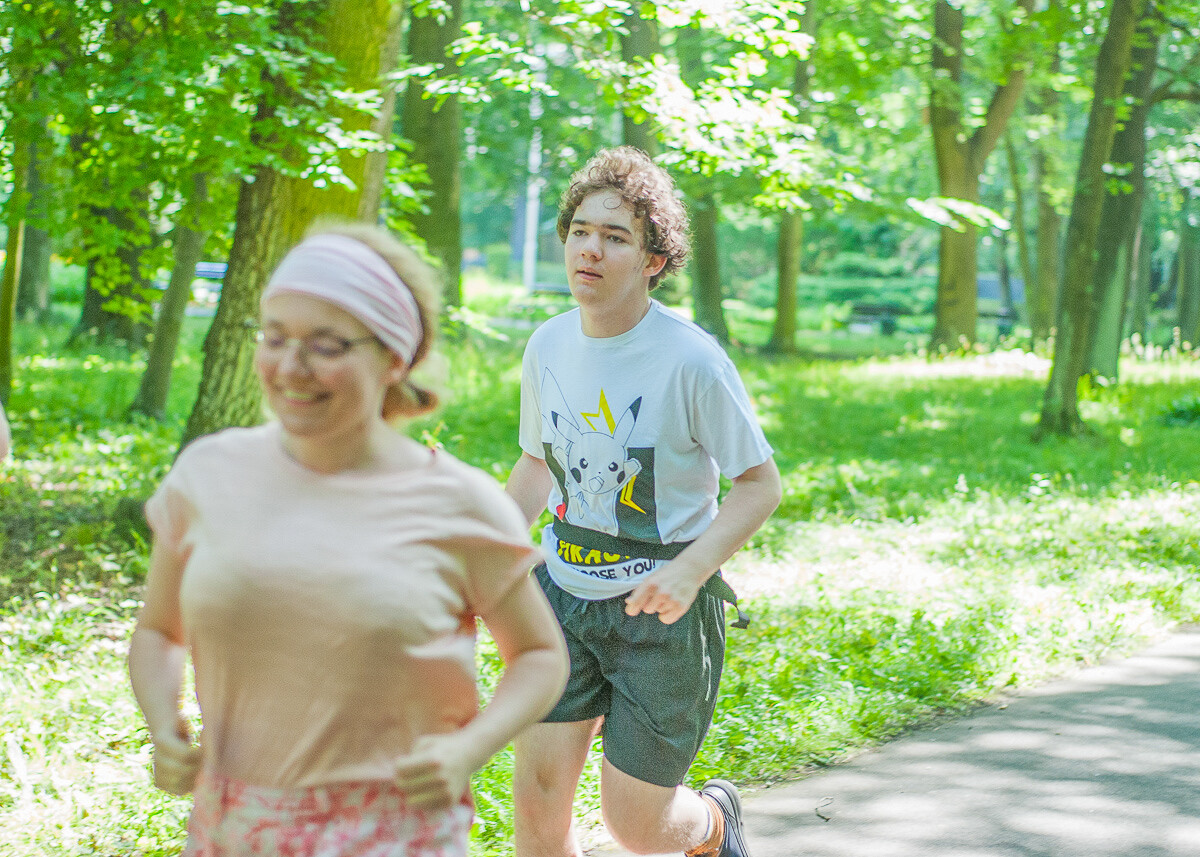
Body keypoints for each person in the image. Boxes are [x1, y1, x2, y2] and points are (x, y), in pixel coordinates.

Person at [128, 223, 569, 857]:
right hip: (231, 830)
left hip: (395, 833)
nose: (290, 366)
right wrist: (161, 718)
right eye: (274, 338)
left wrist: (468, 749)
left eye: (327, 345)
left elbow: (539, 656)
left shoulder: (461, 504)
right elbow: (157, 632)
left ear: (395, 358)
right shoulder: (207, 475)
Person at [505, 147, 782, 857]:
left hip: (662, 615)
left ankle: (715, 823)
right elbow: (539, 465)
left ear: (654, 259)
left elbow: (760, 483)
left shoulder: (691, 360)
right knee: (537, 811)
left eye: (616, 236)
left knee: (636, 825)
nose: (590, 249)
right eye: (580, 231)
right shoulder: (547, 346)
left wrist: (690, 570)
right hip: (561, 599)